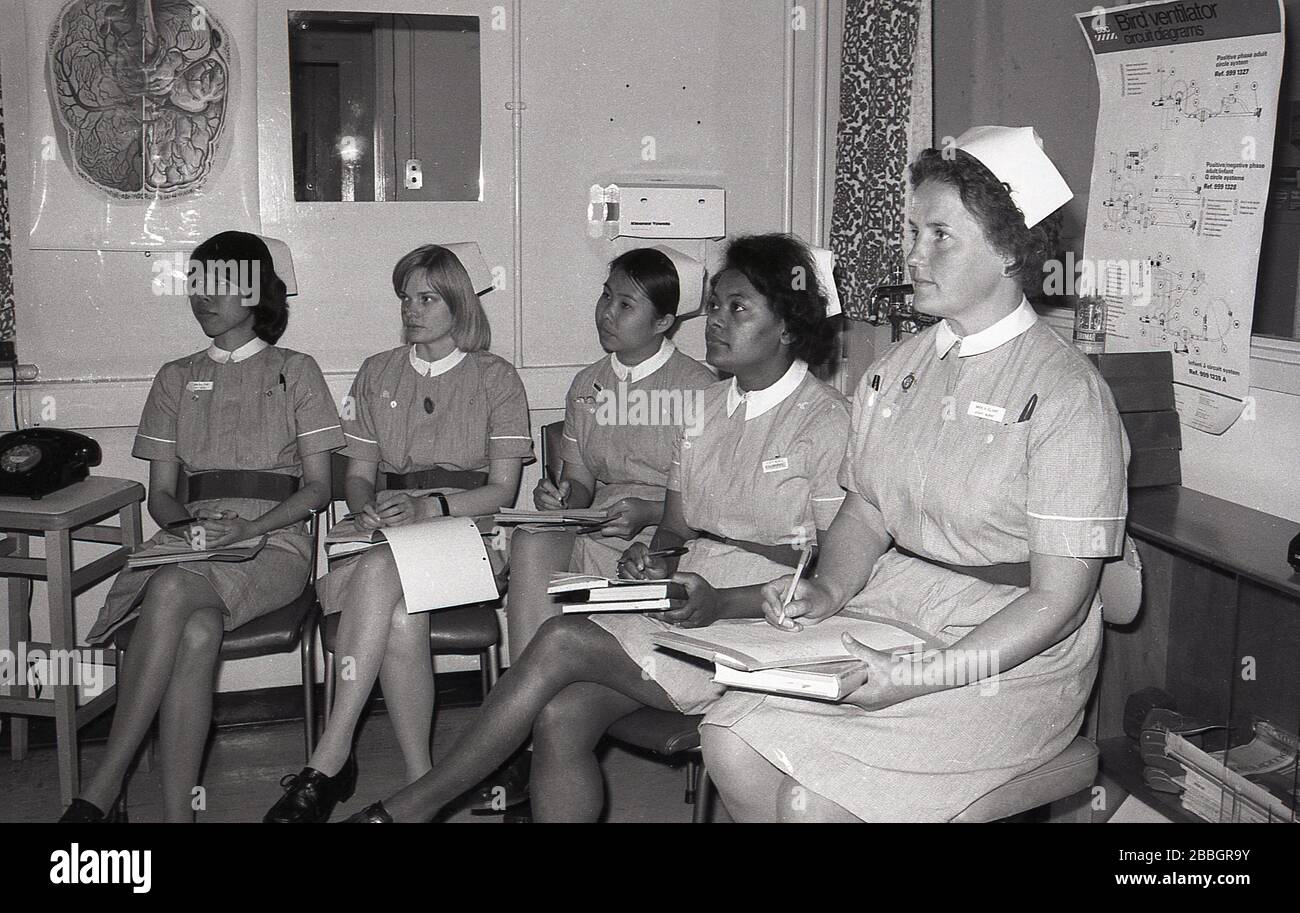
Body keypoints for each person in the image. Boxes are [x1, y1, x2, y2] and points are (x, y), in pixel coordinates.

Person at [699, 126, 1130, 822]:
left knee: (813, 803)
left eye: (939, 235)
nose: (913, 253)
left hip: (1012, 655)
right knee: (728, 737)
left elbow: (1058, 603)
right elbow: (866, 509)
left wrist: (917, 677)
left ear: (1011, 251)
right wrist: (829, 588)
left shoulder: (1066, 393)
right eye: (913, 230)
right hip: (902, 605)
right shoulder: (895, 370)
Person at [343, 233, 850, 822]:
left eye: (738, 308)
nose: (715, 321)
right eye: (714, 305)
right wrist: (655, 560)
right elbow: (676, 528)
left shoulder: (825, 421)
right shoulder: (709, 408)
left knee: (561, 640)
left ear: (787, 326)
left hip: (765, 623)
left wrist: (722, 599)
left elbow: (830, 566)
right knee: (561, 715)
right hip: (686, 596)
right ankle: (455, 791)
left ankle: (414, 806)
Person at [63, 231, 343, 823]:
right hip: (192, 538)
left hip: (273, 541)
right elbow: (160, 497)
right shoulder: (174, 377)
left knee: (169, 590)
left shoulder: (297, 370)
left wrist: (246, 530)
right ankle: (177, 816)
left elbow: (319, 490)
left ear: (256, 291)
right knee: (195, 633)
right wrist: (188, 525)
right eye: (196, 281)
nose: (202, 295)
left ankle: (103, 784)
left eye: (220, 281)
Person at [263, 244, 532, 823]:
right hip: (384, 537)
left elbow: (501, 492)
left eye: (427, 297)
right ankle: (420, 786)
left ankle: (328, 760)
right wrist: (367, 509)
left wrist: (429, 505)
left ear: (459, 303)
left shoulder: (497, 378)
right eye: (405, 297)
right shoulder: (376, 371)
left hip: (468, 536)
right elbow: (358, 476)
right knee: (401, 613)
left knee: (386, 568)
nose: (411, 309)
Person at [480, 248, 714, 805]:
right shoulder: (588, 385)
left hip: (671, 536)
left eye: (625, 303)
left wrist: (650, 513)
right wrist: (562, 496)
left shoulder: (703, 389)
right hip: (599, 527)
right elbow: (581, 480)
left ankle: (516, 741)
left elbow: (713, 497)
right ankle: (526, 733)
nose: (607, 312)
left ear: (664, 321)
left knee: (562, 562)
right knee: (535, 538)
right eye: (606, 296)